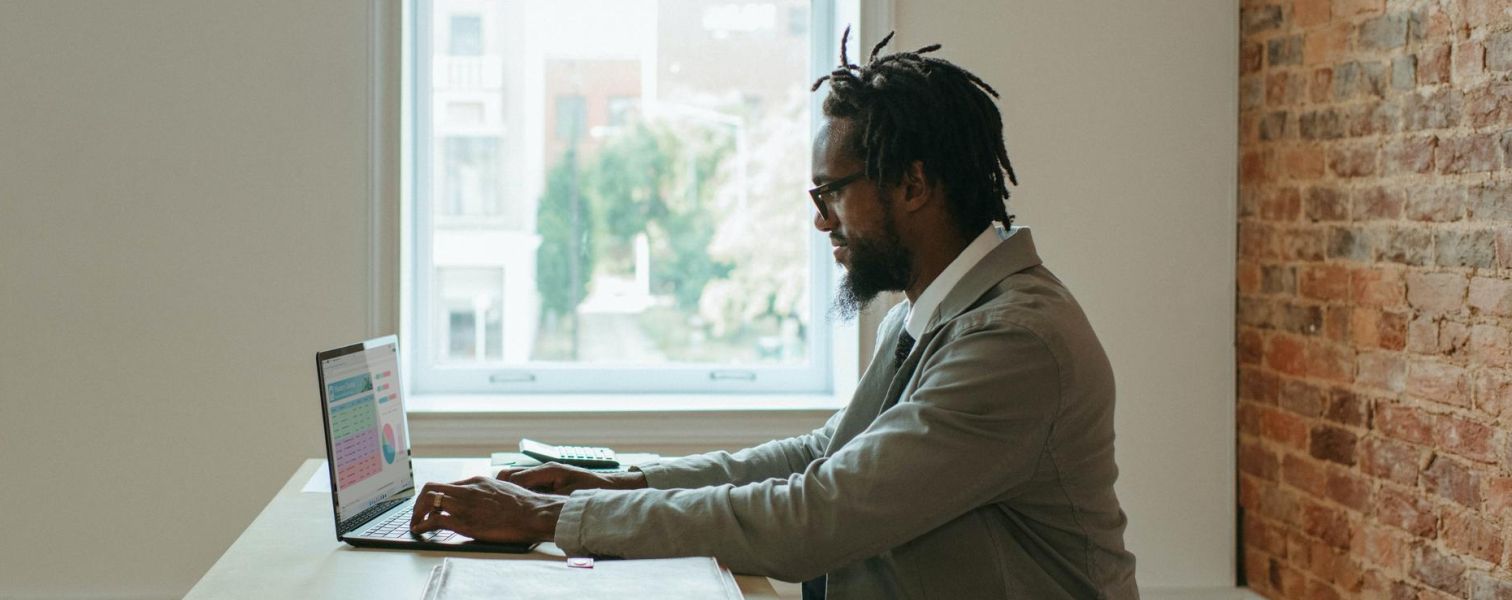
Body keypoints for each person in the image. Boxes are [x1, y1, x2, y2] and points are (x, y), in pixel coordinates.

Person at [410, 30, 1139, 599]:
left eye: (831, 194)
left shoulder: (1014, 342)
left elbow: (817, 515)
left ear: (913, 184)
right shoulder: (933, 313)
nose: (822, 222)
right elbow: (824, 455)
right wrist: (617, 484)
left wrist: (548, 520)